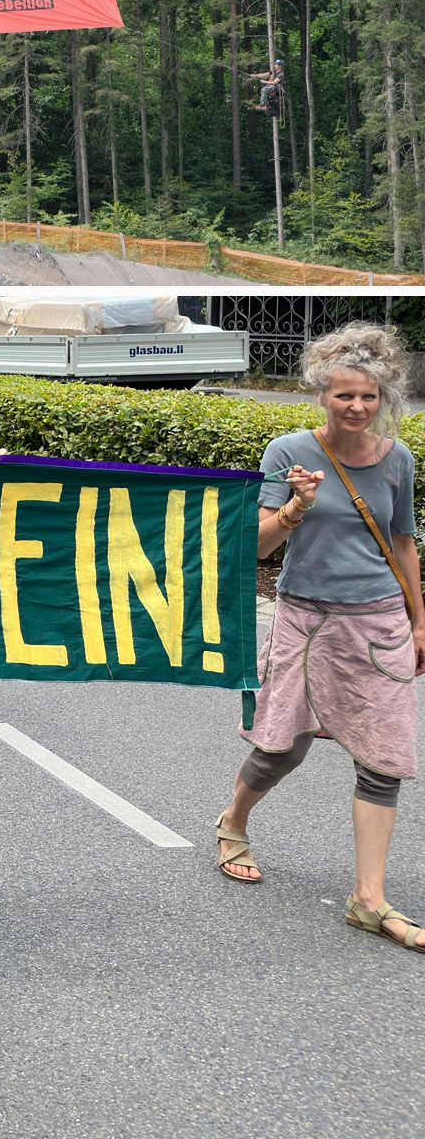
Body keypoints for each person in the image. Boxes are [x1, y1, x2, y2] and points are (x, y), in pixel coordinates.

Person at [215, 324, 425, 954]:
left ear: (383, 396)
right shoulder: (287, 452)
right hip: (306, 620)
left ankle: (369, 898)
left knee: (383, 760)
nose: (356, 407)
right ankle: (233, 822)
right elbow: (256, 546)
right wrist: (296, 506)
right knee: (285, 749)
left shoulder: (397, 459)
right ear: (321, 395)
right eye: (343, 396)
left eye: (367, 397)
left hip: (380, 621)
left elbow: (402, 540)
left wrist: (420, 619)